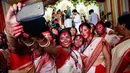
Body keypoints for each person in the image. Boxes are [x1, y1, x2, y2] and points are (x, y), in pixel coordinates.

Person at [4, 2, 58, 73]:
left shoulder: (46, 35)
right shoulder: (21, 35)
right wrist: (9, 28)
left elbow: (55, 52)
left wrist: (39, 38)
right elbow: (14, 49)